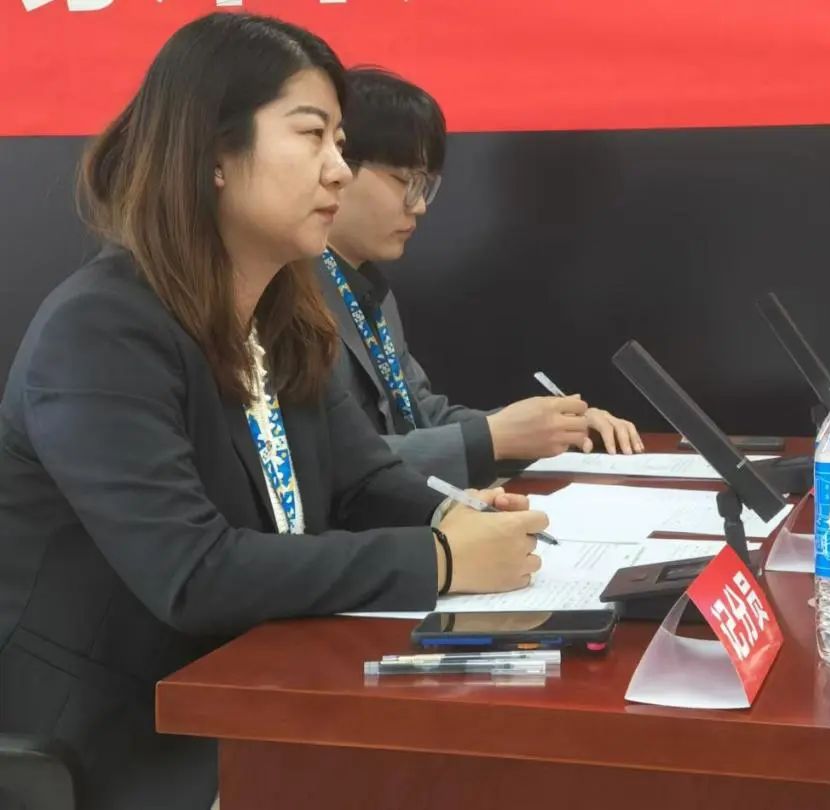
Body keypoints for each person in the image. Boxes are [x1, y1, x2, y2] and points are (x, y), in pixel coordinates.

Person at [0, 14, 544, 810]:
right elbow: (193, 573)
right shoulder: (101, 329)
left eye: (341, 144)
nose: (338, 171)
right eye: (313, 136)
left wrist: (457, 515)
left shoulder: (283, 316)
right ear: (215, 153)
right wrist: (441, 559)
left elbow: (363, 484)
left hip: (264, 683)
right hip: (124, 737)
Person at [318, 68, 645, 489]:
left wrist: (547, 428)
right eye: (405, 181)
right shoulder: (290, 299)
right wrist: (494, 437)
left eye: (425, 186)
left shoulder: (368, 288)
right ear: (339, 167)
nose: (419, 206)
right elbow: (333, 464)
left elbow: (420, 415)